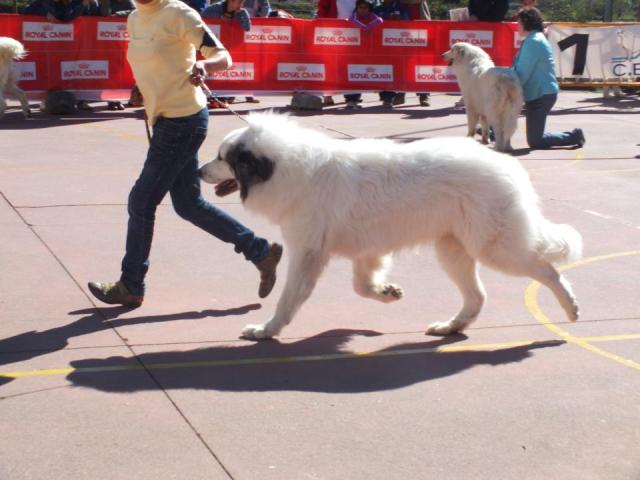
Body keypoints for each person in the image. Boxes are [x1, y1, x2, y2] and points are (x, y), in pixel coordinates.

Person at [88, 0, 282, 307]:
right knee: (189, 205)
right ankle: (259, 251)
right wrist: (142, 87)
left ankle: (131, 284)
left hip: (183, 120)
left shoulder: (178, 13)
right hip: (165, 119)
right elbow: (154, 61)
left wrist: (203, 66)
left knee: (141, 201)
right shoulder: (136, 18)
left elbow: (222, 55)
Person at [513, 7, 585, 149]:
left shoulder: (533, 41)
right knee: (533, 138)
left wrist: (503, 83)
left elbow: (521, 73)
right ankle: (493, 132)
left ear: (527, 22)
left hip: (541, 95)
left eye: (519, 22)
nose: (517, 25)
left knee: (535, 141)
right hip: (539, 93)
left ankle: (574, 137)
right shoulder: (534, 38)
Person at [202, 0, 259, 103]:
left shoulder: (242, 11)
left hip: (235, 46)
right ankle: (217, 95)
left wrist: (240, 15)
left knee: (236, 69)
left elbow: (247, 28)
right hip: (218, 44)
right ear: (230, 1)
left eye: (242, 3)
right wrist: (220, 17)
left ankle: (238, 93)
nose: (240, 5)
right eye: (238, 3)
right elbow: (203, 15)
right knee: (218, 69)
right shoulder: (216, 7)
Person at [374, 0, 408, 108]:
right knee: (383, 71)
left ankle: (398, 95)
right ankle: (386, 97)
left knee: (397, 71)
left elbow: (408, 22)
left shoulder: (401, 7)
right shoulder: (377, 9)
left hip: (398, 45)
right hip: (381, 47)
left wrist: (399, 20)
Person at [23, 0, 98, 22]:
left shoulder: (65, 5)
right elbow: (26, 11)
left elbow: (67, 18)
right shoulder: (42, 2)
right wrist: (45, 13)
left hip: (56, 44)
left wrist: (92, 3)